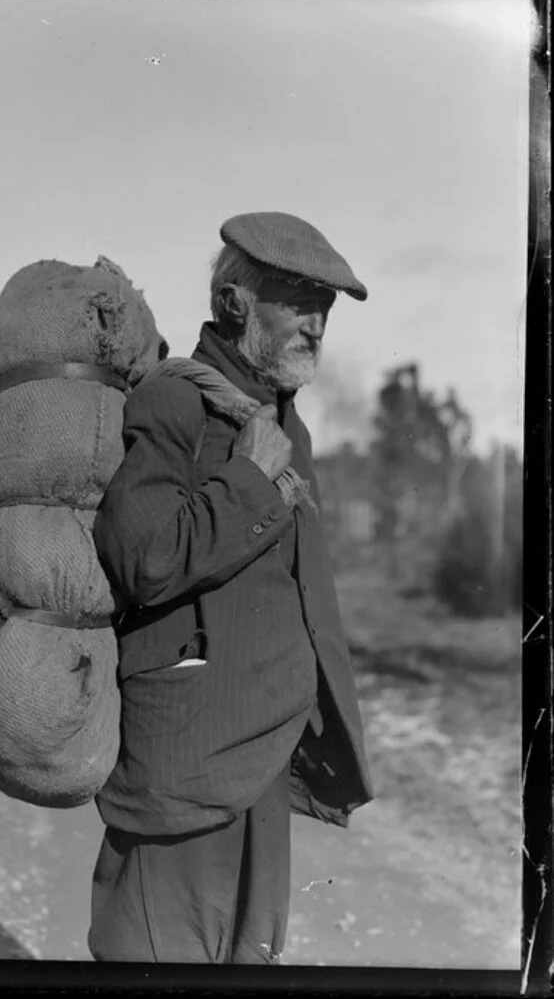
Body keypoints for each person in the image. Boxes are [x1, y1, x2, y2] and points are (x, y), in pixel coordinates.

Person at [89, 211, 375, 964]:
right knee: (155, 957)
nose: (318, 323)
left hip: (264, 761)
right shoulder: (172, 400)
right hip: (185, 766)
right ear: (235, 303)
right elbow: (141, 556)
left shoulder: (286, 425)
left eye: (327, 308)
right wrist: (249, 478)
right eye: (299, 300)